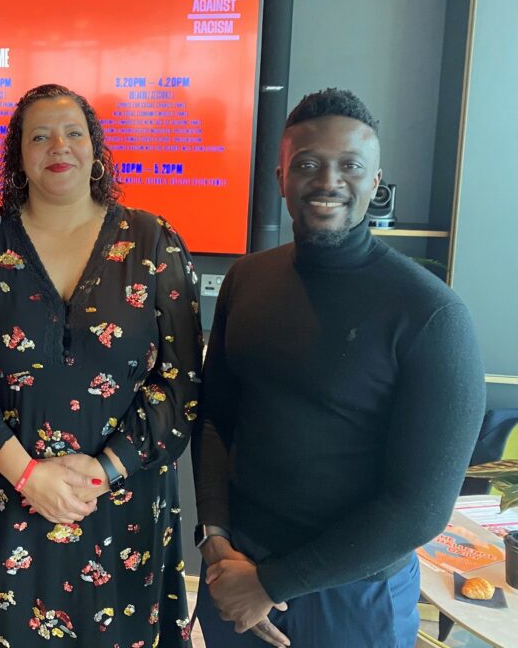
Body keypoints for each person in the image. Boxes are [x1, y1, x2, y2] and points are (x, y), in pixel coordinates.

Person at [192, 88, 486, 648]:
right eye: (306, 163)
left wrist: (271, 584)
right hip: (233, 570)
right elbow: (214, 421)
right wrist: (214, 535)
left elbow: (420, 508)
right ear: (280, 176)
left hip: (352, 596)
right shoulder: (246, 281)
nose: (328, 180)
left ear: (375, 183)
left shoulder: (430, 315)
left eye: (350, 165)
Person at [0, 83, 203, 647]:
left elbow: (180, 384)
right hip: (1, 502)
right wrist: (28, 474)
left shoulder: (154, 242)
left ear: (95, 149)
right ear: (19, 154)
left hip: (119, 506)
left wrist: (100, 473)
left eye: (74, 132)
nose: (60, 146)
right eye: (40, 135)